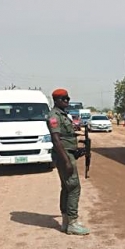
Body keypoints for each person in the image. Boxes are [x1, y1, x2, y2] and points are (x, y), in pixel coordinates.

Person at [48, 88, 90, 236]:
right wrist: (66, 160)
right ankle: (72, 222)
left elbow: (65, 139)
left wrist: (76, 151)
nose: (67, 101)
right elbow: (56, 139)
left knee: (66, 187)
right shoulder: (54, 116)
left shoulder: (63, 115)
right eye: (64, 99)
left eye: (68, 98)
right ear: (57, 100)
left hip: (67, 154)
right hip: (63, 156)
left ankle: (66, 222)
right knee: (74, 187)